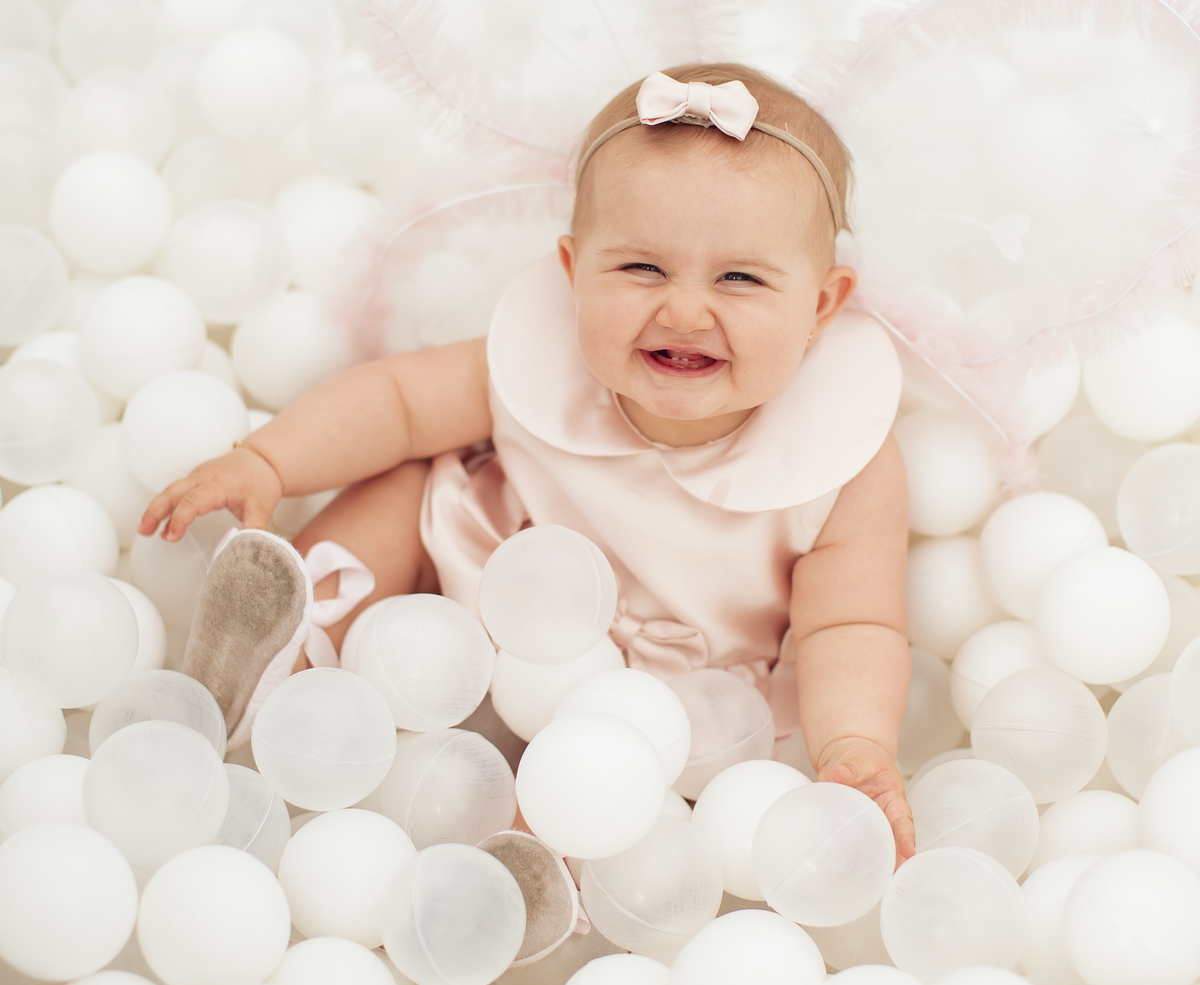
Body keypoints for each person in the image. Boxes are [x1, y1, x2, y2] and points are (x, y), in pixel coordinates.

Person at [139, 59, 915, 860]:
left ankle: (526, 860)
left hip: (658, 694)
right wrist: (268, 463)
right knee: (404, 485)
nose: (684, 309)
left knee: (603, 778)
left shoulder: (840, 454)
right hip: (486, 572)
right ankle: (284, 635)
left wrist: (855, 744)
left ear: (821, 304)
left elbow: (850, 624)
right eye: (641, 267)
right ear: (575, 271)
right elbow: (397, 402)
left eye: (740, 278)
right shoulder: (539, 363)